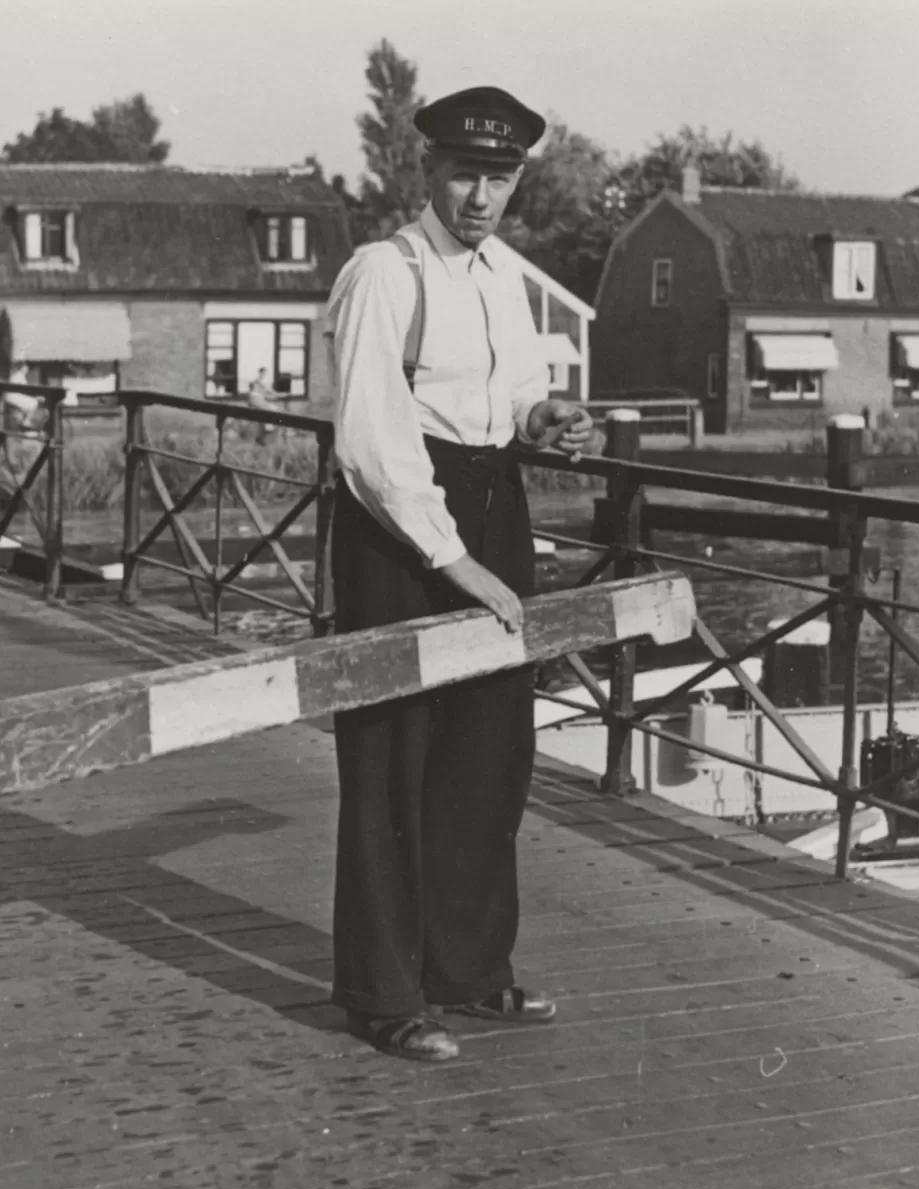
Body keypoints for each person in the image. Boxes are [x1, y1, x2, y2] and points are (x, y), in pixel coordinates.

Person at [324, 86, 594, 1062]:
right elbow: (371, 444)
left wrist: (550, 421)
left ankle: (470, 973)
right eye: (465, 174)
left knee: (488, 754)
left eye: (501, 177)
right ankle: (383, 992)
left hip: (493, 503)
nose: (482, 195)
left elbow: (518, 394)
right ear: (428, 173)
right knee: (394, 763)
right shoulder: (381, 275)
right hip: (398, 527)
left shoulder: (504, 277)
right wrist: (456, 562)